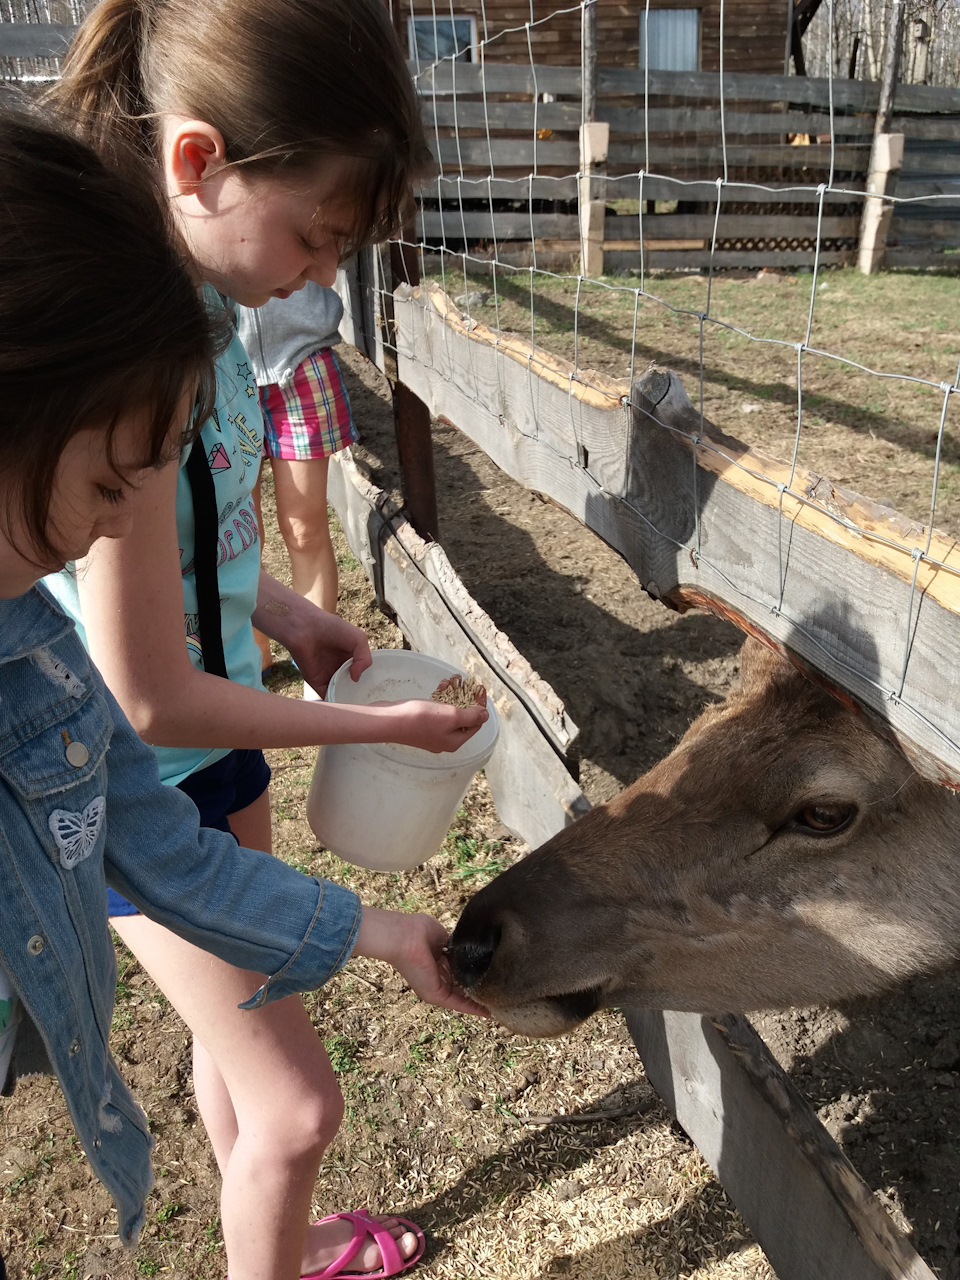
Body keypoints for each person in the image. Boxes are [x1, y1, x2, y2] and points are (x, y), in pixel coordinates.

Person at [44, 4, 489, 1278]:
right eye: (317, 235)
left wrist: (282, 611)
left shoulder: (210, 324)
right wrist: (374, 725)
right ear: (199, 163)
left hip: (215, 764)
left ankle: (268, 1229)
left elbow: (180, 557)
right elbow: (144, 696)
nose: (323, 276)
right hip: (141, 793)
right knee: (299, 1109)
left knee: (237, 1051)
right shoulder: (141, 362)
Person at [238, 284, 356, 692]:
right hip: (223, 369)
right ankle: (252, 658)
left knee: (304, 528)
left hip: (303, 359)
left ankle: (316, 668)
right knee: (240, 530)